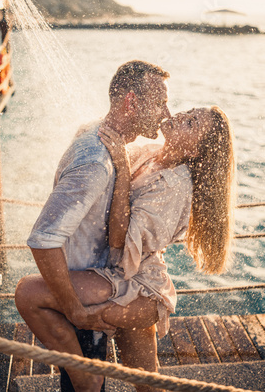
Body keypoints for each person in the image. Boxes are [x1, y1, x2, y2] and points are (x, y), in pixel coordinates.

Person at [16, 104, 235, 392]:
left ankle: (85, 378)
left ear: (195, 151)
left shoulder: (175, 186)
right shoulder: (154, 153)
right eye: (190, 111)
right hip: (123, 275)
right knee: (147, 381)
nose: (181, 116)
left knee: (29, 294)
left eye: (192, 123)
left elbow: (120, 240)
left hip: (135, 286)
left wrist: (120, 167)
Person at [15, 60, 171, 392]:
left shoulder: (99, 134)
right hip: (83, 297)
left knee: (139, 376)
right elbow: (43, 239)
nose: (166, 112)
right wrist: (73, 308)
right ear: (131, 101)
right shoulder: (96, 161)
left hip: (106, 282)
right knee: (87, 384)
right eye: (159, 102)